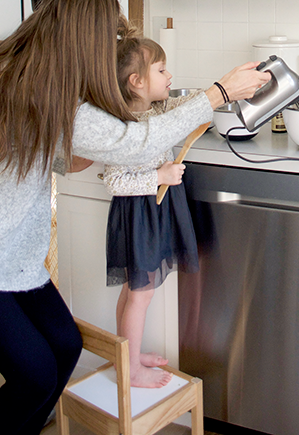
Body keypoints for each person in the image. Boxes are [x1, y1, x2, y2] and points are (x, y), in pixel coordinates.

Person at [0, 0, 269, 434]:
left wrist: (81, 150)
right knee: (34, 374)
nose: (113, 47)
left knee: (63, 348)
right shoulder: (29, 90)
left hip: (14, 255)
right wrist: (218, 93)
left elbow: (34, 149)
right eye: (109, 36)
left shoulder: (20, 75)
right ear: (83, 39)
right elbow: (133, 141)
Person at [103, 31, 199, 387]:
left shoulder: (155, 110)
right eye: (162, 70)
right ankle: (130, 371)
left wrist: (215, 96)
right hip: (139, 217)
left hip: (151, 214)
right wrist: (159, 174)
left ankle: (126, 354)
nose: (169, 76)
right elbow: (115, 182)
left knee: (133, 292)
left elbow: (185, 106)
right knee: (139, 296)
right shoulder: (122, 125)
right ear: (137, 81)